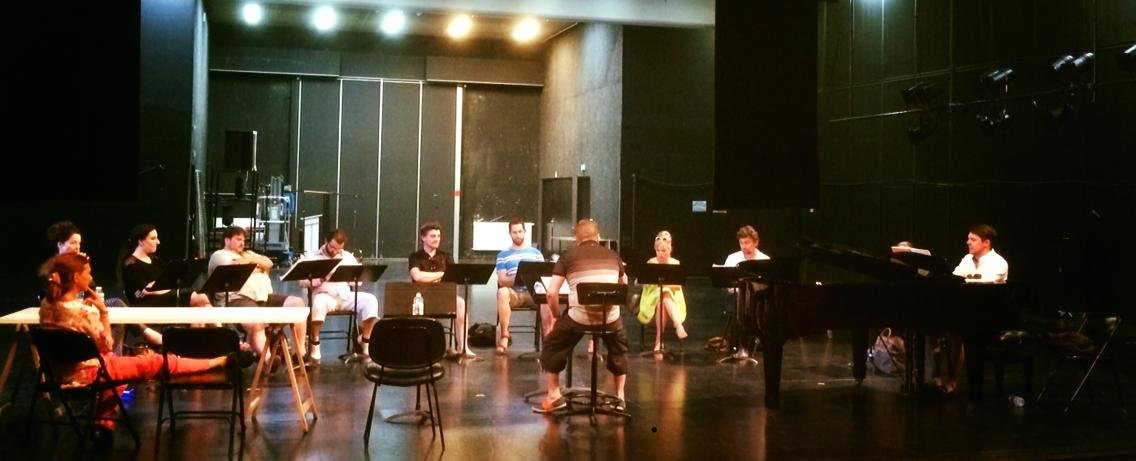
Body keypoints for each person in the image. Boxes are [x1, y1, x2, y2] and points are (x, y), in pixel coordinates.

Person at [37, 253, 233, 448]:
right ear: (76, 277)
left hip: (58, 373)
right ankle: (216, 361)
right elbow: (107, 345)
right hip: (91, 374)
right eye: (87, 273)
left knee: (123, 373)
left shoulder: (46, 305)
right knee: (158, 361)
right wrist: (103, 312)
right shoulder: (83, 312)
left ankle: (104, 424)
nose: (90, 277)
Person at [534, 219, 629, 413]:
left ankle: (554, 396)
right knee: (619, 349)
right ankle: (620, 398)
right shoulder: (613, 256)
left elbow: (551, 293)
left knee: (552, 343)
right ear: (598, 237)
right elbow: (624, 284)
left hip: (579, 318)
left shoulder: (568, 256)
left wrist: (556, 317)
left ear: (576, 239)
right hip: (610, 319)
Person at [46, 220, 155, 349]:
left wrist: (84, 268)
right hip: (69, 308)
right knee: (112, 311)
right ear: (60, 245)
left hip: (86, 303)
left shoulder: (78, 262)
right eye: (73, 243)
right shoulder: (54, 267)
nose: (77, 247)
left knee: (116, 303)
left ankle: (122, 348)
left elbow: (90, 288)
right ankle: (145, 333)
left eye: (79, 243)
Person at [208, 226, 307, 361]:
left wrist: (251, 261)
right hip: (238, 299)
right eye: (238, 239)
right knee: (256, 320)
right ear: (227, 240)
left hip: (264, 297)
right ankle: (268, 359)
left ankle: (299, 354)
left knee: (297, 303)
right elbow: (236, 267)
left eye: (244, 240)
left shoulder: (248, 254)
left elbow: (268, 263)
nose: (242, 243)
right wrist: (258, 266)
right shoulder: (220, 255)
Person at [938, 224, 1009, 394]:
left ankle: (964, 387)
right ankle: (941, 378)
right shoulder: (967, 259)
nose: (968, 242)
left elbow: (983, 287)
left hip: (990, 316)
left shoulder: (998, 263)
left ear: (986, 243)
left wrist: (963, 281)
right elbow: (955, 278)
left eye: (973, 239)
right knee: (941, 329)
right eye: (968, 238)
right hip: (968, 312)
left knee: (959, 332)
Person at [298, 229, 380, 361]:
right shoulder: (313, 256)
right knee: (318, 304)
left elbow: (357, 281)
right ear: (326, 241)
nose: (335, 251)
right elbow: (302, 282)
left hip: (345, 295)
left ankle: (365, 341)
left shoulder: (347, 257)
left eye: (339, 249)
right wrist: (318, 278)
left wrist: (355, 275)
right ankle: (315, 344)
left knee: (370, 300)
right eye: (333, 247)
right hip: (324, 296)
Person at [409, 221, 472, 358]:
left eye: (438, 236)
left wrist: (429, 277)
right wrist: (442, 274)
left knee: (460, 303)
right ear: (423, 238)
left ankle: (463, 347)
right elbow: (417, 276)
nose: (436, 239)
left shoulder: (446, 256)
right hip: (421, 299)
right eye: (432, 236)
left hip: (443, 296)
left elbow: (453, 276)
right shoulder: (415, 256)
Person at [120, 224, 212, 308]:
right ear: (141, 241)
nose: (158, 242)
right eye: (153, 238)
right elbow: (144, 292)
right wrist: (162, 287)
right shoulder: (131, 265)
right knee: (201, 298)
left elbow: (167, 278)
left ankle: (214, 321)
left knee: (202, 302)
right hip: (148, 303)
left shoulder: (155, 260)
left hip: (164, 297)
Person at [494, 218, 545, 355]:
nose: (518, 235)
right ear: (510, 233)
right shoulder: (502, 255)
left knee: (548, 297)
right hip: (514, 293)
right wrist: (519, 278)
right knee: (502, 292)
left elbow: (543, 277)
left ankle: (549, 340)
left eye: (520, 231)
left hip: (533, 294)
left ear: (525, 232)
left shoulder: (536, 254)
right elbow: (502, 280)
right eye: (514, 232)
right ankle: (504, 335)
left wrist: (530, 279)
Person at [722, 225, 770, 359]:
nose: (743, 246)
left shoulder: (765, 260)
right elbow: (726, 284)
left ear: (756, 242)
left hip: (758, 300)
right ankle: (743, 345)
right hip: (736, 298)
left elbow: (767, 285)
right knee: (742, 298)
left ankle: (745, 345)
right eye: (741, 243)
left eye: (747, 243)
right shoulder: (732, 258)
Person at [637, 230, 688, 352]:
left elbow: (678, 286)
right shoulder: (651, 263)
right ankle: (678, 325)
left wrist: (666, 287)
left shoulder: (675, 263)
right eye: (658, 251)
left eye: (663, 250)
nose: (660, 253)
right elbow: (642, 282)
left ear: (670, 250)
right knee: (663, 293)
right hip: (651, 296)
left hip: (673, 297)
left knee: (664, 296)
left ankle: (659, 341)